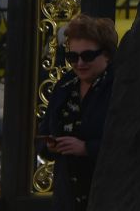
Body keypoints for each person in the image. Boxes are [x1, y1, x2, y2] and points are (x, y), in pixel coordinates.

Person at [37, 14, 116, 211]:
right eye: (73, 57)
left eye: (88, 56)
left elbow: (130, 141)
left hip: (106, 192)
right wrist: (50, 145)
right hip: (67, 195)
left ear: (106, 54)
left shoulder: (118, 86)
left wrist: (87, 148)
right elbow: (44, 131)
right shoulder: (65, 85)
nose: (79, 63)